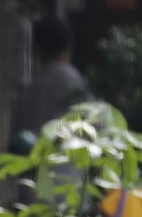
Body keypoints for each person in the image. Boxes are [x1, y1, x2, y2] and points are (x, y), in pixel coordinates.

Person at [10, 16, 90, 153]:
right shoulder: (75, 82)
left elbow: (17, 134)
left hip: (33, 165)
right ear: (68, 47)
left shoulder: (32, 84)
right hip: (68, 165)